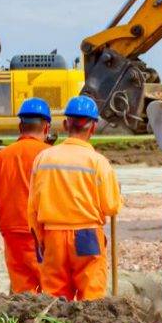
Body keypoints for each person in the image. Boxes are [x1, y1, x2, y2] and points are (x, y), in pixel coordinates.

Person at [28, 95, 121, 301]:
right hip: (87, 235)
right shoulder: (98, 162)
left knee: (54, 300)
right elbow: (111, 206)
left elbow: (32, 207)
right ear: (93, 128)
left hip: (52, 235)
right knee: (92, 298)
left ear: (64, 124)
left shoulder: (43, 159)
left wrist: (40, 238)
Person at [0, 98, 54, 293]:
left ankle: (24, 318)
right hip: (43, 229)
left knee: (22, 284)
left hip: (12, 228)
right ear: (46, 128)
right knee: (48, 283)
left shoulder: (2, 156)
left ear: (20, 126)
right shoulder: (51, 156)